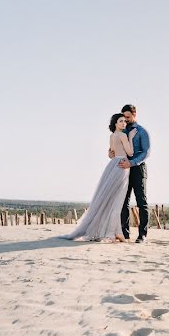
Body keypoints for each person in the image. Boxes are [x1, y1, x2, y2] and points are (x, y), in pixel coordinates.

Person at [62, 113, 131, 242]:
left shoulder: (112, 136)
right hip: (122, 166)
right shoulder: (122, 135)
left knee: (110, 200)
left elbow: (111, 153)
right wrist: (130, 139)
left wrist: (113, 153)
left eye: (124, 121)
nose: (123, 123)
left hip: (112, 165)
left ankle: (116, 231)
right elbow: (130, 152)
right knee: (117, 201)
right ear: (115, 123)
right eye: (121, 121)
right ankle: (111, 232)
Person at [117, 104, 151, 243]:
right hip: (123, 170)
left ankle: (142, 234)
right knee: (123, 201)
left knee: (141, 202)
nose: (126, 120)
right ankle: (125, 234)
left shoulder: (142, 131)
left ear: (134, 115)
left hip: (138, 168)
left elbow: (146, 152)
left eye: (128, 117)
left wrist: (132, 163)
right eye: (124, 117)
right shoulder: (121, 131)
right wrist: (111, 152)